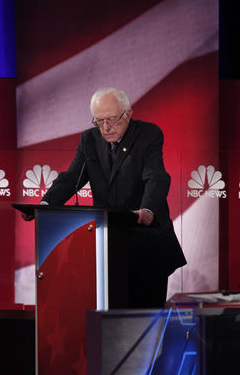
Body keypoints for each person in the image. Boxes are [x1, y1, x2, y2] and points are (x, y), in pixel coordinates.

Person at [23, 87, 186, 308]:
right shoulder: (89, 140)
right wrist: (45, 205)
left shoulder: (148, 135)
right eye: (99, 121)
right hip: (109, 247)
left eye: (111, 120)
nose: (106, 128)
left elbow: (155, 177)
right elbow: (72, 177)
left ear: (128, 114)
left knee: (145, 321)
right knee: (109, 323)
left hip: (147, 244)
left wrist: (146, 210)